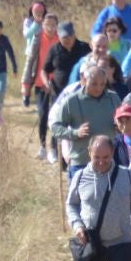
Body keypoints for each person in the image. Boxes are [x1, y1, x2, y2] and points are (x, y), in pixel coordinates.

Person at [50, 62, 122, 175]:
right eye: (94, 84)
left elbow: (124, 123)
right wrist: (75, 133)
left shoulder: (113, 98)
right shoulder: (71, 101)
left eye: (102, 84)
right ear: (83, 80)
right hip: (81, 163)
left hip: (107, 163)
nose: (99, 88)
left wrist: (121, 126)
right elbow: (55, 128)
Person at [39, 23, 89, 162]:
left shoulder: (84, 48)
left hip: (80, 92)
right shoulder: (54, 49)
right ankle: (54, 148)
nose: (66, 39)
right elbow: (44, 70)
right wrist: (46, 82)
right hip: (58, 92)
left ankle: (73, 151)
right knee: (58, 119)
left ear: (74, 35)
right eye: (63, 37)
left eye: (69, 36)